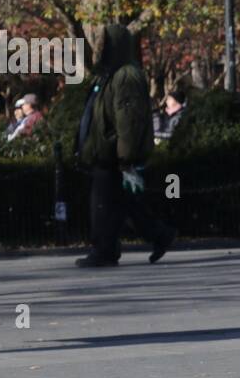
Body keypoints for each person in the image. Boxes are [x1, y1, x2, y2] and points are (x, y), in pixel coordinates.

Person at [75, 23, 176, 268]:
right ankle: (158, 235)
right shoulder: (109, 76)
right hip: (108, 152)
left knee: (103, 205)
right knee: (124, 203)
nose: (98, 49)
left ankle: (105, 251)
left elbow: (129, 121)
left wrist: (126, 157)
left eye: (103, 44)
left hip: (112, 154)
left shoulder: (125, 76)